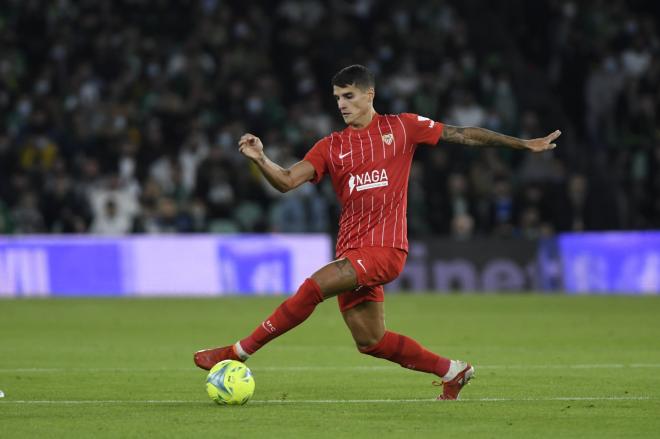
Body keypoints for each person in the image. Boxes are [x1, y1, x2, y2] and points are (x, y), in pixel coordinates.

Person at [194, 65, 561, 400]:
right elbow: (288, 180)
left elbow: (462, 135)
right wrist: (261, 159)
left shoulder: (402, 127)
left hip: (386, 249)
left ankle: (236, 352)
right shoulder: (331, 146)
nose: (342, 104)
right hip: (352, 251)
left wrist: (522, 144)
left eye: (349, 96)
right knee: (371, 342)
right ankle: (454, 371)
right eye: (337, 98)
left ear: (370, 95)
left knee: (313, 287)